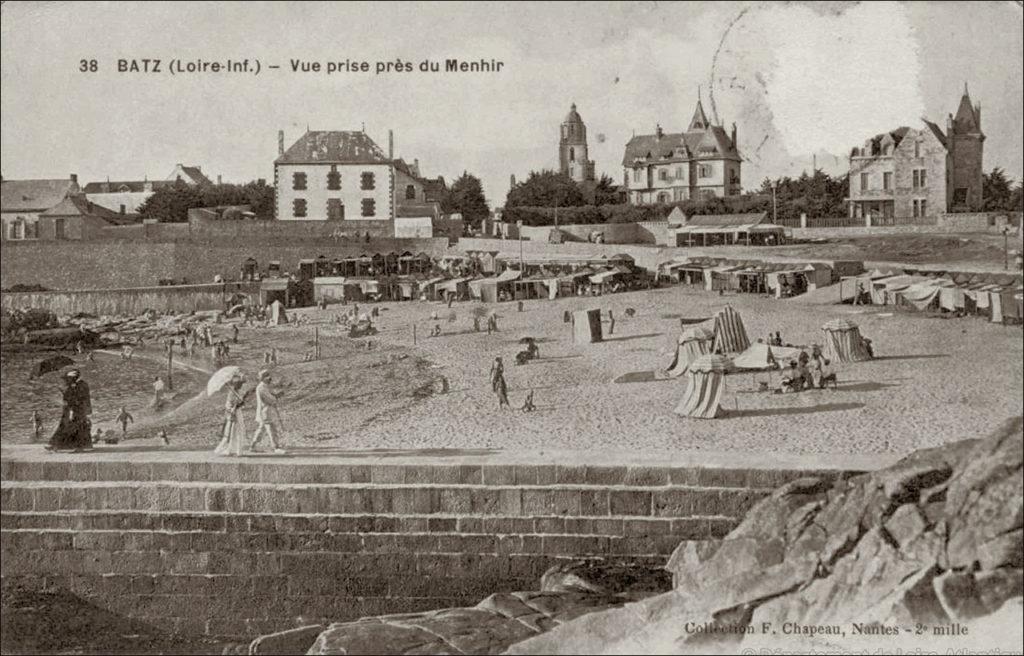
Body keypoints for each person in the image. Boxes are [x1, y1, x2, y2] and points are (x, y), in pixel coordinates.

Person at [47, 370, 93, 451]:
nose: (66, 381)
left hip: (76, 410)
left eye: (68, 379)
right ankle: (56, 445)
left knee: (76, 428)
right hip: (71, 410)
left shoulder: (81, 385)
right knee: (67, 427)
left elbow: (81, 399)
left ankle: (62, 445)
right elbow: (68, 398)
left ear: (73, 378)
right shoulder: (74, 385)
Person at [249, 370, 286, 454]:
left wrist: (277, 395)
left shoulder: (266, 386)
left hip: (266, 411)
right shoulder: (261, 388)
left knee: (261, 430)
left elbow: (272, 395)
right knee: (272, 429)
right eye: (267, 377)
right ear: (263, 378)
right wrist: (277, 397)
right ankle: (276, 447)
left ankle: (253, 446)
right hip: (265, 412)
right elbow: (270, 399)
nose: (270, 379)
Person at [214, 373, 248, 456]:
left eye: (241, 384)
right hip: (234, 414)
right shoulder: (232, 393)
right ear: (236, 385)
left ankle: (237, 450)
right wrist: (239, 404)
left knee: (238, 431)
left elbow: (239, 403)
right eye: (240, 384)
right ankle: (232, 450)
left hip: (238, 413)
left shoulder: (237, 392)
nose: (241, 386)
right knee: (234, 431)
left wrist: (242, 401)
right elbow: (231, 406)